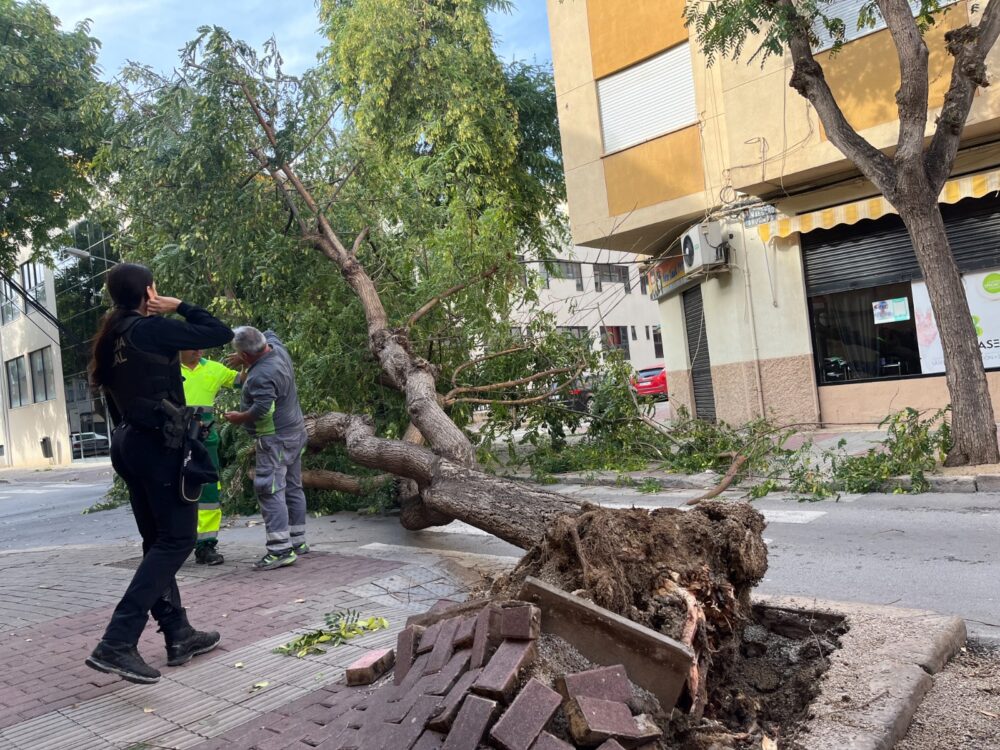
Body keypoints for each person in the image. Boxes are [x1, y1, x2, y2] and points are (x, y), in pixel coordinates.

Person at [86, 263, 234, 684]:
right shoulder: (149, 330)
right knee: (178, 539)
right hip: (157, 445)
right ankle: (117, 641)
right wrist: (180, 306)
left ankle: (178, 633)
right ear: (149, 291)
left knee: (158, 541)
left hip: (128, 445)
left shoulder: (111, 337)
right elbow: (219, 333)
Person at [223, 326, 308, 571]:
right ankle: (298, 541)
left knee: (270, 490)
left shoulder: (261, 375)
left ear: (248, 356)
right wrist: (243, 354)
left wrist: (240, 417)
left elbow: (261, 408)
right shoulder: (278, 349)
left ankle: (280, 550)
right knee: (293, 486)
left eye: (241, 355)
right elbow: (269, 331)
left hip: (276, 439)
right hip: (296, 432)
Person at [179, 349, 243, 565]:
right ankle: (170, 545)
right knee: (171, 490)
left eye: (201, 347)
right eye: (193, 347)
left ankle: (206, 546)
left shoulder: (214, 369)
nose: (199, 352)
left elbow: (244, 381)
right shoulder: (166, 368)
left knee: (208, 493)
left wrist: (248, 358)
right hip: (173, 438)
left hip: (205, 439)